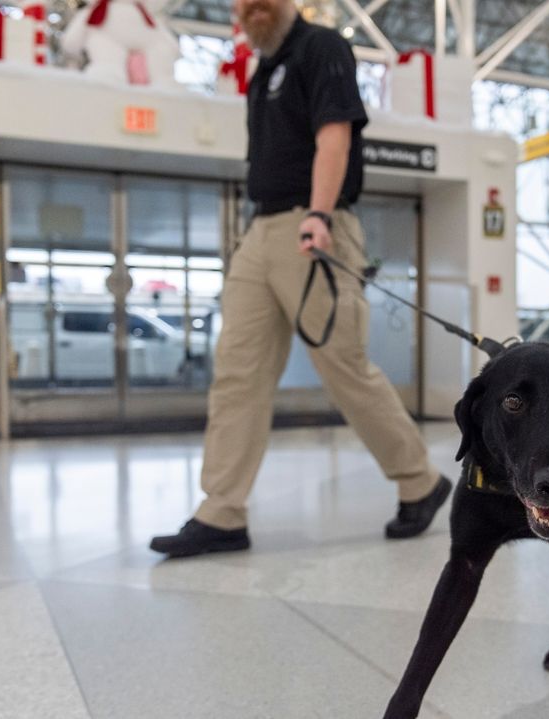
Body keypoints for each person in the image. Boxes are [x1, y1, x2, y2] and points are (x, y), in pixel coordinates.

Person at [150, 0, 451, 558]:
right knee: (237, 371)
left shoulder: (323, 48)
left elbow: (333, 137)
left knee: (343, 368)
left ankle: (420, 482)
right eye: (240, 2)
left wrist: (319, 214)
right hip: (260, 231)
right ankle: (222, 512)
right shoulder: (262, 68)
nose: (249, 7)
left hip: (314, 224)